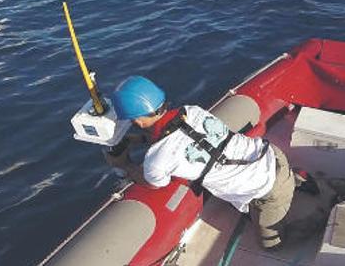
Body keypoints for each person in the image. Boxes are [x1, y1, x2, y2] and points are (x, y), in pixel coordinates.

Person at [104, 75, 295, 250]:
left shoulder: (157, 159)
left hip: (269, 190)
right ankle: (296, 179)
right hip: (273, 155)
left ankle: (313, 215)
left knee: (272, 246)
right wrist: (138, 140)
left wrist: (123, 165)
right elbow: (179, 135)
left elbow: (154, 183)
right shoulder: (191, 111)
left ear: (137, 120)